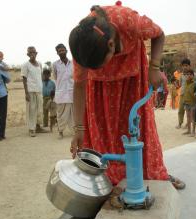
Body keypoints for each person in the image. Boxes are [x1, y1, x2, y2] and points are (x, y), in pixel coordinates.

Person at [68, 2, 185, 189]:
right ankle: (107, 180)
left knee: (137, 127)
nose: (103, 68)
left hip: (132, 81)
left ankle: (151, 173)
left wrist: (154, 68)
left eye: (100, 64)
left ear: (111, 44)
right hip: (100, 90)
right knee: (102, 131)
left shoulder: (129, 21)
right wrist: (79, 129)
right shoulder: (83, 43)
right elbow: (80, 85)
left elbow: (159, 34)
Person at [21, 46, 46, 137]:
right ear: (28, 54)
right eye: (30, 53)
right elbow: (24, 79)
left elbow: (40, 76)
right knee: (32, 110)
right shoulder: (25, 65)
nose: (32, 54)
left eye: (33, 52)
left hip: (39, 90)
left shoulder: (39, 63)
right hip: (30, 91)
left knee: (39, 110)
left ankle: (38, 127)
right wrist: (26, 93)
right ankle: (31, 129)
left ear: (36, 53)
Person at [53, 44, 74, 139]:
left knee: (72, 114)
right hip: (61, 93)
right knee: (60, 114)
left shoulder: (73, 63)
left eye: (63, 50)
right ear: (57, 53)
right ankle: (60, 131)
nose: (62, 52)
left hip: (71, 92)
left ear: (66, 51)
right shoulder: (55, 64)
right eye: (59, 51)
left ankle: (74, 131)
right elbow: (56, 77)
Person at [176, 58, 191, 129]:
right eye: (184, 66)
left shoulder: (193, 74)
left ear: (189, 66)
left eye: (186, 65)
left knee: (189, 110)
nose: (185, 67)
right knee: (181, 110)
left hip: (190, 96)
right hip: (182, 94)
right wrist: (176, 85)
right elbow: (179, 85)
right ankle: (180, 123)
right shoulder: (181, 75)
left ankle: (188, 123)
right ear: (182, 66)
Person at [182, 69, 196, 136]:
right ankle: (188, 130)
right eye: (187, 74)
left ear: (193, 75)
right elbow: (185, 93)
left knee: (193, 117)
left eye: (190, 74)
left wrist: (194, 95)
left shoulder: (194, 84)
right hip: (186, 102)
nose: (189, 75)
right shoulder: (185, 83)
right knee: (188, 117)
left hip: (193, 103)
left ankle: (193, 131)